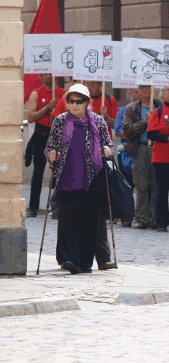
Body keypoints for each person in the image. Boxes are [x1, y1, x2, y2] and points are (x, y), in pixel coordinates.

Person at [45, 84, 114, 274]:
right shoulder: (59, 121)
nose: (74, 105)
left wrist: (108, 151)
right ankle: (68, 258)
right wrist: (51, 155)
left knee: (89, 222)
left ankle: (85, 262)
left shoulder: (98, 122)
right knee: (68, 220)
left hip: (92, 179)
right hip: (66, 177)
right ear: (66, 103)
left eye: (79, 101)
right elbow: (50, 146)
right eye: (71, 101)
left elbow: (109, 144)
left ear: (87, 103)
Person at [26, 73, 65, 217]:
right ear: (41, 77)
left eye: (51, 74)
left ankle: (56, 206)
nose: (49, 76)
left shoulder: (63, 93)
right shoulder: (36, 93)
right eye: (45, 74)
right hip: (42, 134)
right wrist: (48, 108)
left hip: (58, 134)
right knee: (38, 171)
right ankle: (33, 207)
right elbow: (30, 117)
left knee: (59, 171)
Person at [122, 84, 161, 230]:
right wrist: (144, 122)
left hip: (158, 147)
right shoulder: (132, 108)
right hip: (140, 147)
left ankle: (155, 217)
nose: (145, 91)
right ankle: (142, 218)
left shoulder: (159, 106)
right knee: (142, 185)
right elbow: (128, 130)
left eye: (148, 88)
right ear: (138, 89)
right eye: (142, 88)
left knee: (156, 184)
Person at [146, 86, 169, 232]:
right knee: (161, 191)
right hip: (161, 158)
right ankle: (162, 222)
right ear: (163, 94)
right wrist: (167, 138)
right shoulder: (158, 112)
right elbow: (151, 133)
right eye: (167, 90)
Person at [115, 88, 140, 227]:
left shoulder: (150, 109)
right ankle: (126, 215)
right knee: (127, 187)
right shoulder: (124, 110)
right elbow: (119, 131)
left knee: (144, 186)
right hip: (127, 153)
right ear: (131, 93)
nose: (138, 94)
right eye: (135, 91)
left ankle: (143, 216)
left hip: (144, 152)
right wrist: (136, 132)